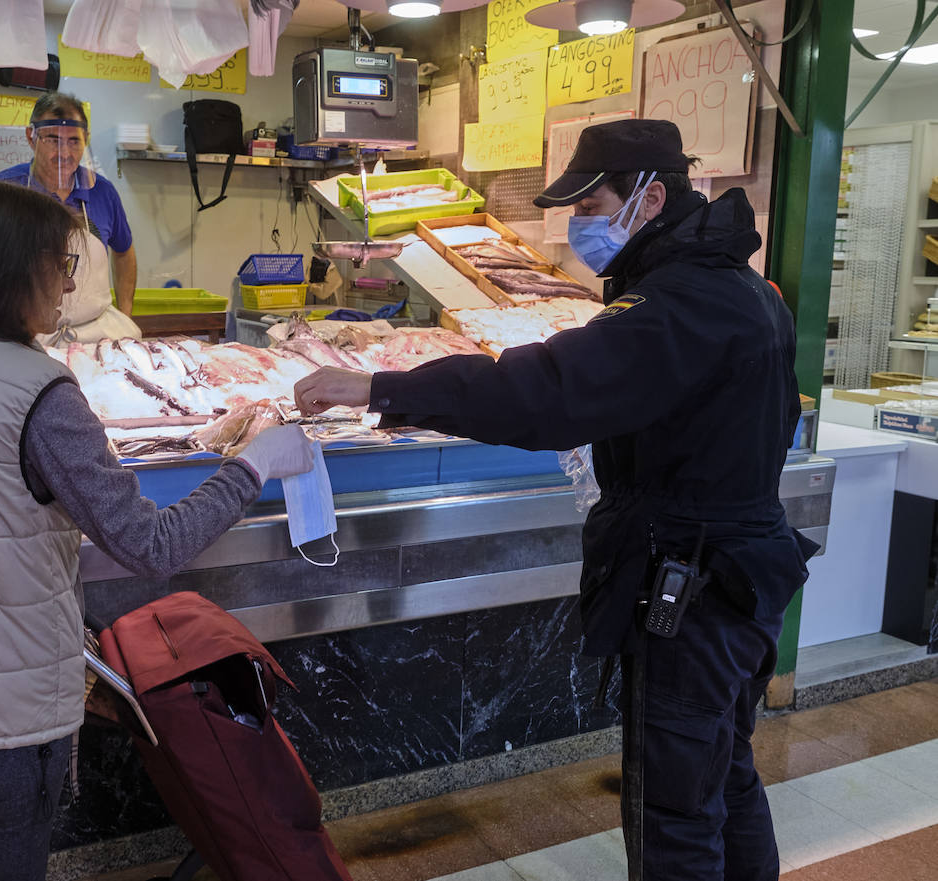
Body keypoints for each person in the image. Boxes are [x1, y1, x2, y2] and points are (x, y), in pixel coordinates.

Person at [293, 119, 817, 881]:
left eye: (594, 203)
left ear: (653, 196)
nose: (581, 225)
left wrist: (382, 387)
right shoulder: (740, 287)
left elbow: (542, 392)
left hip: (695, 594)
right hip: (739, 583)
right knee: (723, 775)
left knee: (673, 812)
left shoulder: (680, 303)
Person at [0, 179, 313, 881]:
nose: (67, 283)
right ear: (13, 269)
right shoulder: (41, 393)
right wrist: (253, 465)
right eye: (61, 262)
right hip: (4, 725)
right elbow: (150, 544)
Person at [0, 92, 140, 342]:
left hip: (95, 334)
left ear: (86, 140)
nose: (64, 153)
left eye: (74, 141)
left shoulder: (102, 192)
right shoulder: (3, 191)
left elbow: (124, 252)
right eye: (53, 140)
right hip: (24, 336)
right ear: (32, 137)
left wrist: (125, 313)